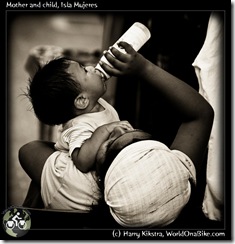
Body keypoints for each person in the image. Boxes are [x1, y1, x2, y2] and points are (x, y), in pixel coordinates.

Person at [19, 41, 214, 227]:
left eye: (118, 144)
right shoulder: (173, 185)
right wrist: (143, 68)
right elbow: (202, 113)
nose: (128, 131)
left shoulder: (79, 186)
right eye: (140, 141)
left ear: (101, 171)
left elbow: (29, 151)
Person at [24, 56, 133, 211]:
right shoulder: (80, 126)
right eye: (85, 70)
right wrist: (104, 130)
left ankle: (31, 207)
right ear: (82, 100)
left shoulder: (95, 103)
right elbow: (82, 162)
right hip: (73, 187)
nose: (91, 67)